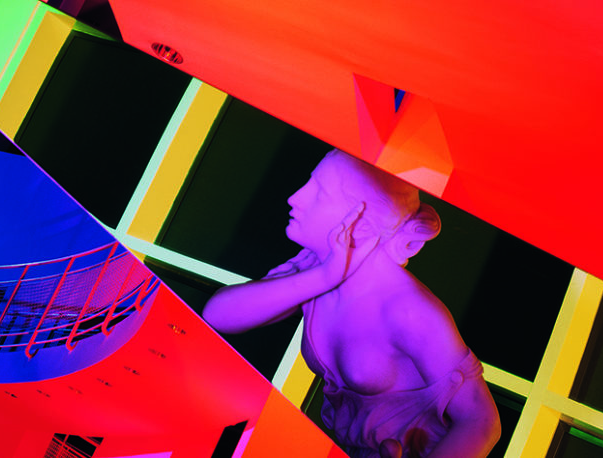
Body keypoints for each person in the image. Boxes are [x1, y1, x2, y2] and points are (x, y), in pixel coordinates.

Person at [203, 150, 500, 458]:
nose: (295, 198)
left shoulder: (410, 311)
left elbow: (482, 422)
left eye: (319, 192)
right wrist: (324, 277)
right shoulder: (314, 265)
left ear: (361, 225)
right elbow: (218, 315)